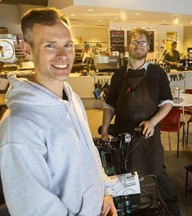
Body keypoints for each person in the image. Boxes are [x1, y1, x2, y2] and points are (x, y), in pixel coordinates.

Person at [0, 8, 117, 216]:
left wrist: (105, 191)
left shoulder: (71, 97)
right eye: (50, 46)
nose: (63, 55)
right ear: (27, 50)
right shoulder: (18, 125)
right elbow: (34, 208)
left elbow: (89, 153)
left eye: (68, 45)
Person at [101, 28, 181, 216]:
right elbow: (109, 104)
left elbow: (168, 103)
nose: (138, 46)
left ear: (148, 47)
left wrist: (153, 122)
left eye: (142, 42)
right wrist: (104, 129)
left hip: (148, 134)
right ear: (129, 45)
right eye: (135, 42)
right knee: (127, 174)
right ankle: (133, 209)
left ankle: (174, 208)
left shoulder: (157, 73)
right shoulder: (119, 74)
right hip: (123, 135)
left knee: (158, 171)